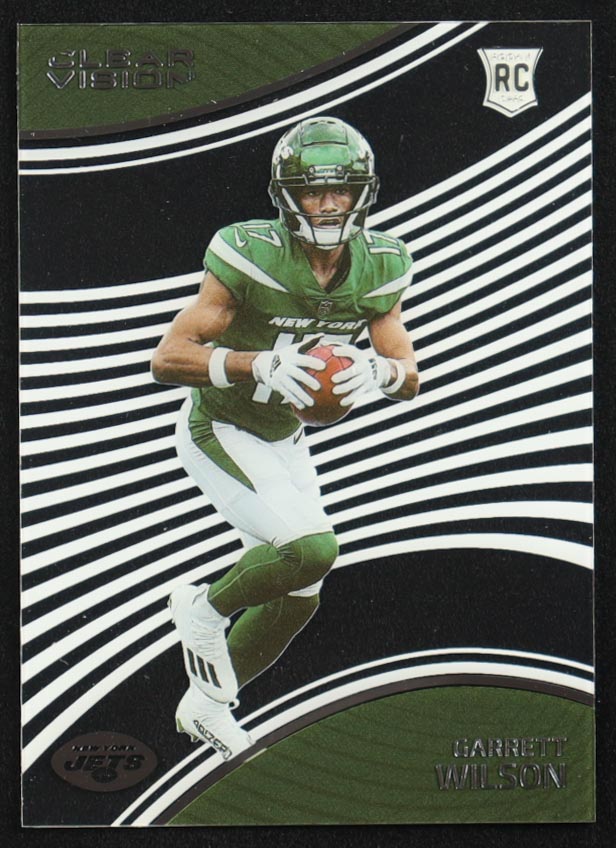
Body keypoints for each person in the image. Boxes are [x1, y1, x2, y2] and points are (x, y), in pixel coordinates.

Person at [151, 115, 419, 759]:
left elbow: (409, 375)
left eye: (340, 189)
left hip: (286, 438)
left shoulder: (382, 264)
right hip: (222, 426)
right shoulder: (249, 252)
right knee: (310, 550)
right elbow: (168, 358)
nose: (328, 205)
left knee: (299, 594)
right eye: (312, 190)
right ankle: (202, 609)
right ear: (286, 195)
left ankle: (206, 705)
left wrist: (380, 372)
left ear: (362, 193)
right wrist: (255, 363)